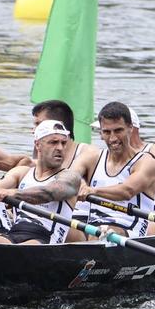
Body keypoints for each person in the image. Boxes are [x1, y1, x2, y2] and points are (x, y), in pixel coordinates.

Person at [0, 120, 81, 244]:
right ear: (38, 145)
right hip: (14, 233)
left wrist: (11, 193)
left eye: (64, 143)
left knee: (20, 249)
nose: (60, 148)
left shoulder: (70, 177)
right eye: (53, 142)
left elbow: (47, 193)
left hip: (46, 241)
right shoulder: (21, 173)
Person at [71, 102, 155, 238]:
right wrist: (78, 182)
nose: (112, 138)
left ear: (130, 128)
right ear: (101, 133)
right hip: (95, 228)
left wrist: (92, 191)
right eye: (106, 132)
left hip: (130, 230)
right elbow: (69, 175)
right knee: (64, 229)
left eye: (118, 131)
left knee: (102, 231)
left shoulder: (145, 162)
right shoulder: (92, 158)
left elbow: (127, 191)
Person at [32, 100, 99, 240]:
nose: (33, 130)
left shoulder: (88, 153)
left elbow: (68, 179)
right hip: (46, 214)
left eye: (39, 124)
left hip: (81, 223)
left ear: (57, 125)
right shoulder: (40, 151)